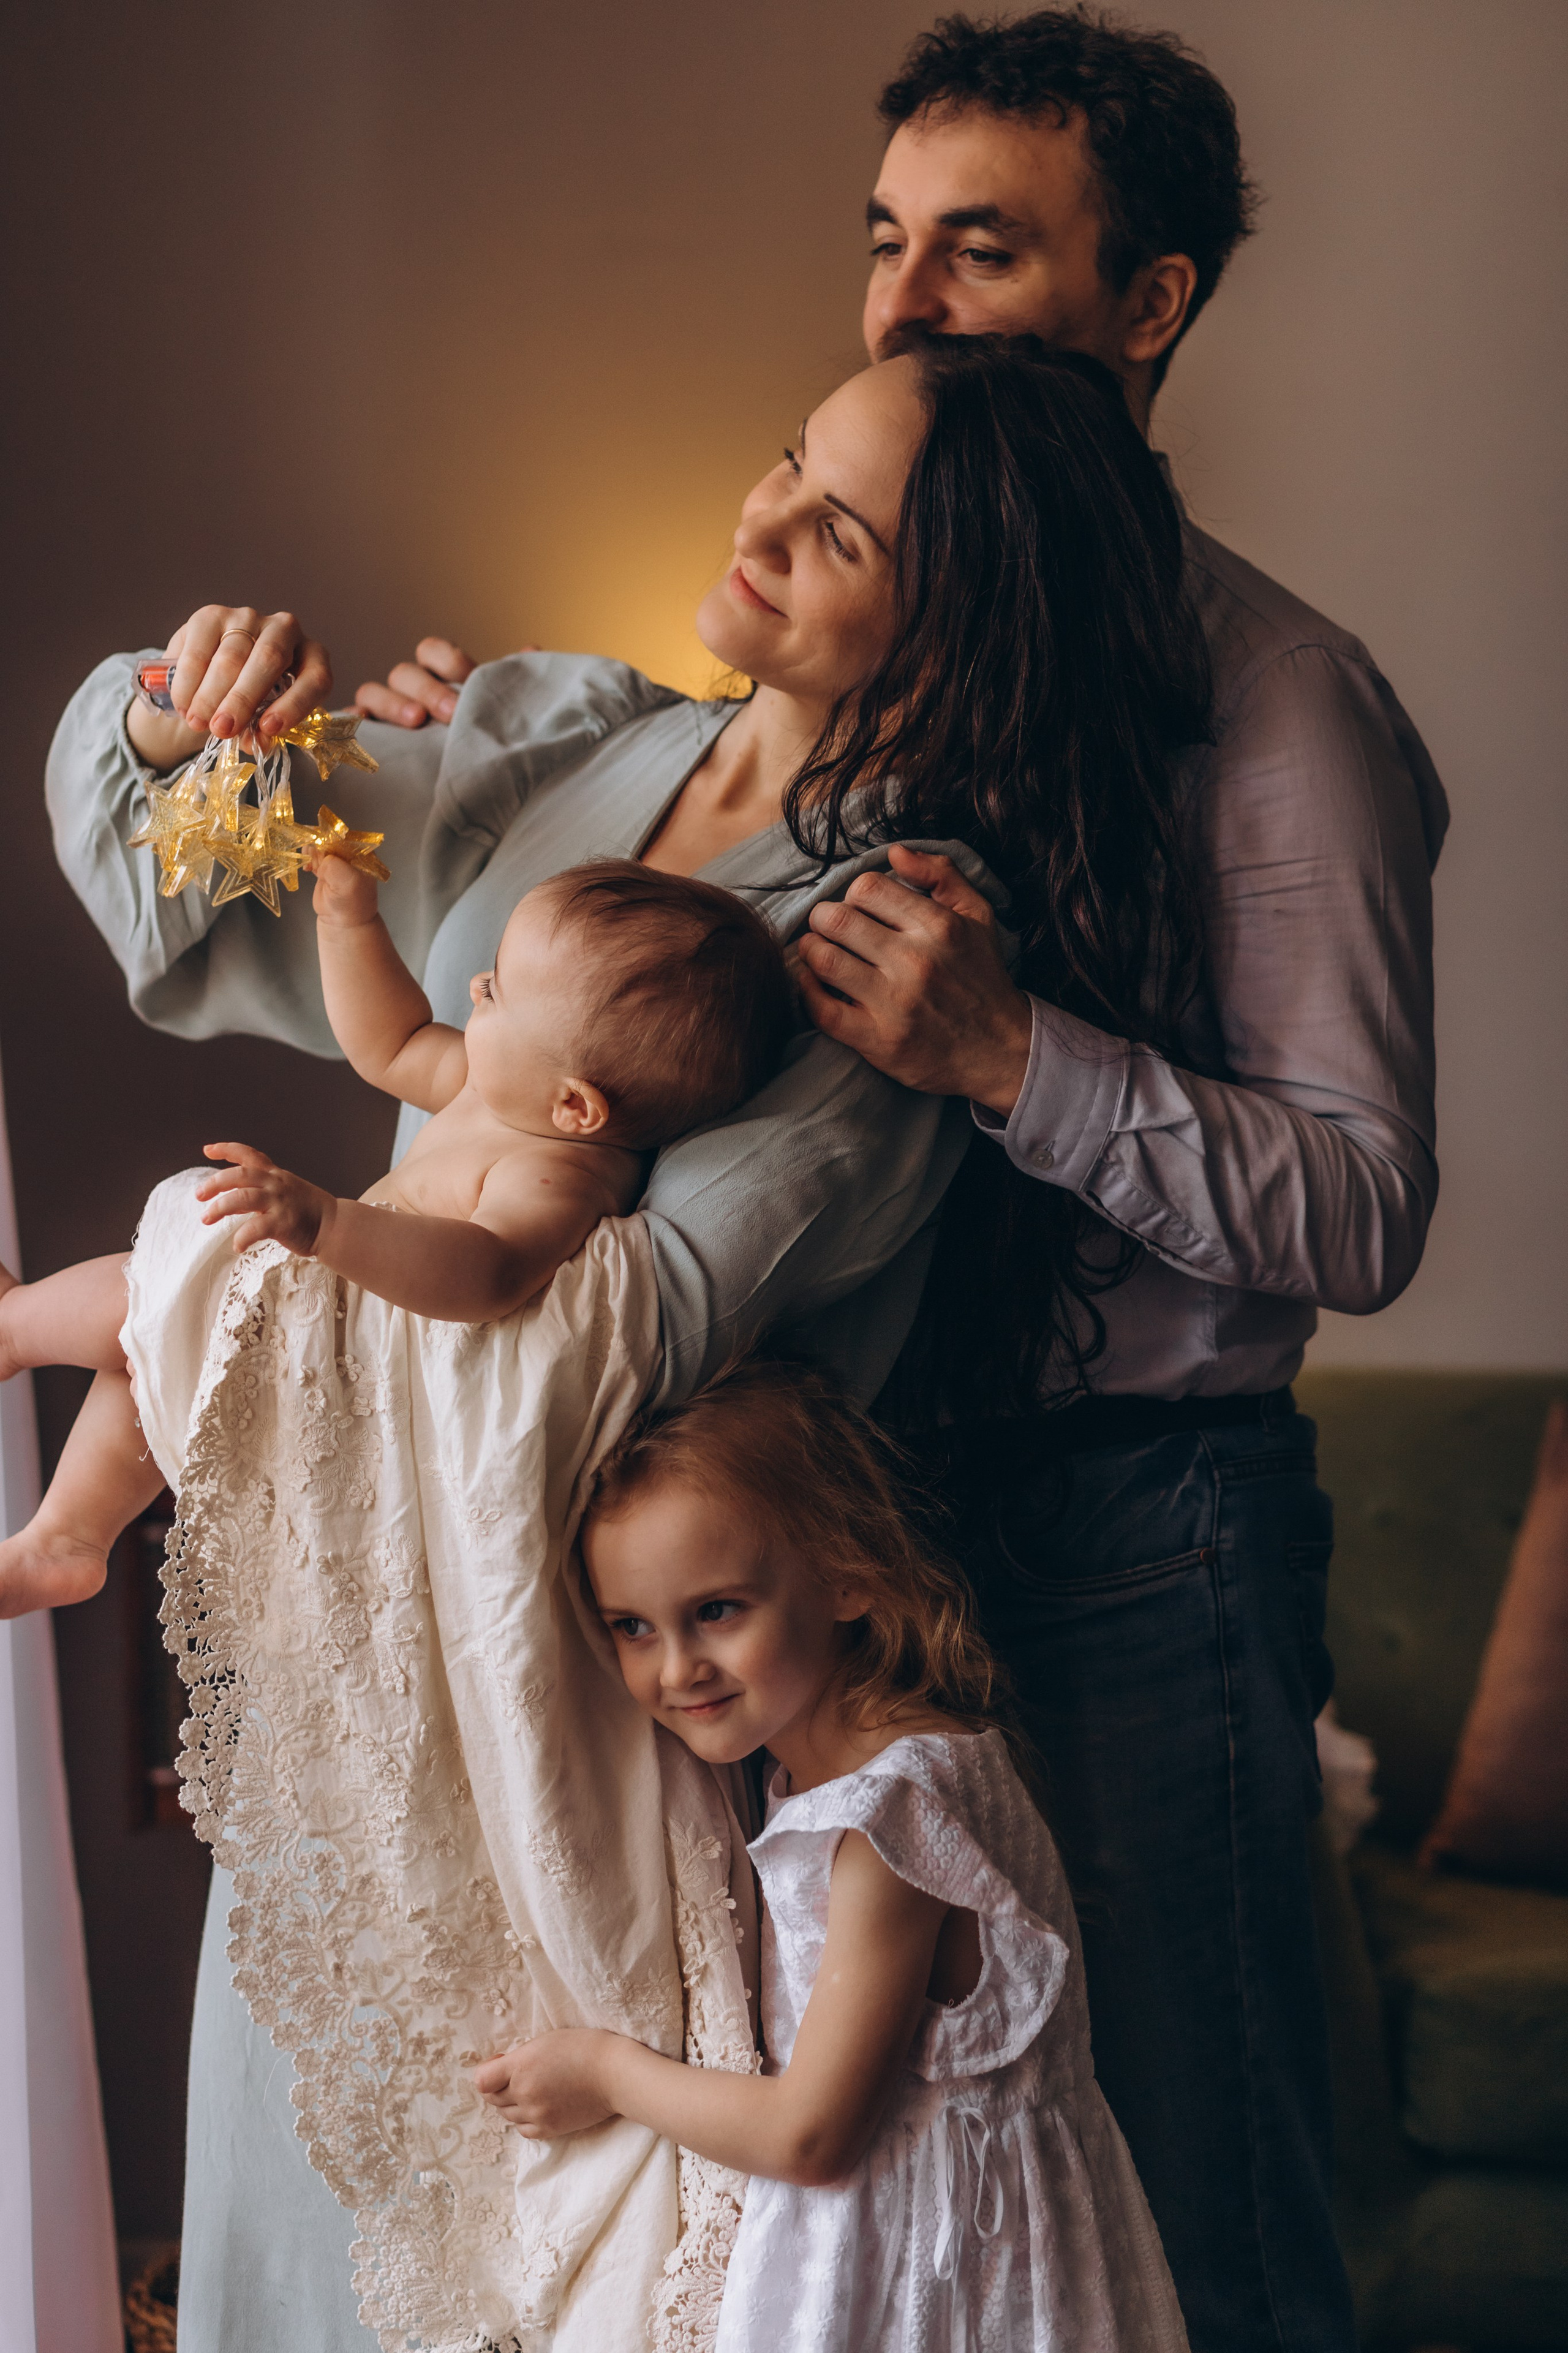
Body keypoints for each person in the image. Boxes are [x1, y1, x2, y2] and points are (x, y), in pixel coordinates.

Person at [363, 16, 1446, 2349]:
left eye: (982, 248)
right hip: (861, 1539)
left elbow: (1364, 1206)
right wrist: (513, 767)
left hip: (1144, 1535)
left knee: (1201, 2195)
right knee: (894, 2231)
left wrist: (1019, 1062)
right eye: (884, 242)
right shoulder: (889, 646)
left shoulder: (1281, 704)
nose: (901, 304)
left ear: (1144, 307)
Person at [47, 333, 1208, 2350]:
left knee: (500, 2238)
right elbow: (227, 891)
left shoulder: (887, 952)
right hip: (349, 1599)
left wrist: (250, 1278)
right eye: (788, 458)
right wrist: (185, 729)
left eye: (836, 524)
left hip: (540, 1675)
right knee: (279, 2189)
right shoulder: (569, 742)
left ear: (964, 637)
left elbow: (605, 1329)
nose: (759, 513)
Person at [480, 1351, 1189, 2353]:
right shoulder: (867, 1767)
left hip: (935, 2275)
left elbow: (811, 2135)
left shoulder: (884, 1824)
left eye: (717, 1610)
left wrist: (605, 2071)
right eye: (633, 1627)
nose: (678, 1668)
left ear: (849, 1574)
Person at [0, 857, 791, 1615]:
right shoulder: (509, 1093)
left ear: (577, 1107)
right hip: (308, 1320)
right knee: (152, 1341)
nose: (479, 987)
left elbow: (490, 1272)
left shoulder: (560, 1173)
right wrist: (350, 923)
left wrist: (332, 1222)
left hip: (342, 1356)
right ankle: (67, 1538)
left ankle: (16, 1327)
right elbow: (393, 1043)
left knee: (178, 1272)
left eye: (501, 995)